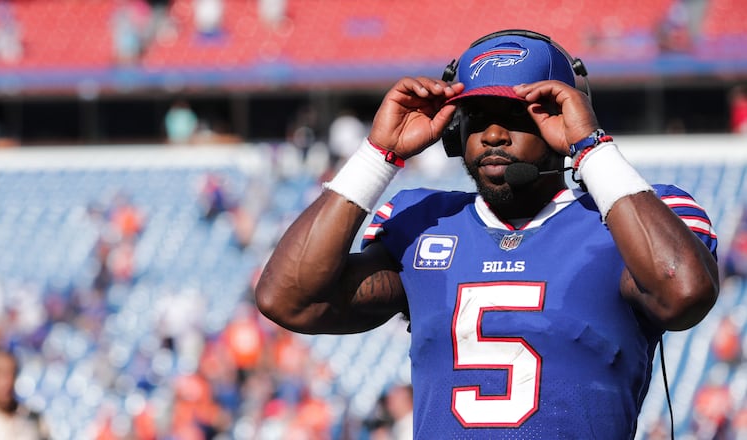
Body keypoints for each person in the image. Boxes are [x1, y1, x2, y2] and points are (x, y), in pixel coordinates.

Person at [255, 29, 720, 438]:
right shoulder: (422, 220)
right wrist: (378, 156)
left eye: (517, 115)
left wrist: (591, 147)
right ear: (455, 131)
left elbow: (685, 293)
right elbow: (288, 299)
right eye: (476, 117)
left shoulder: (631, 219)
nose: (493, 134)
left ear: (567, 114)